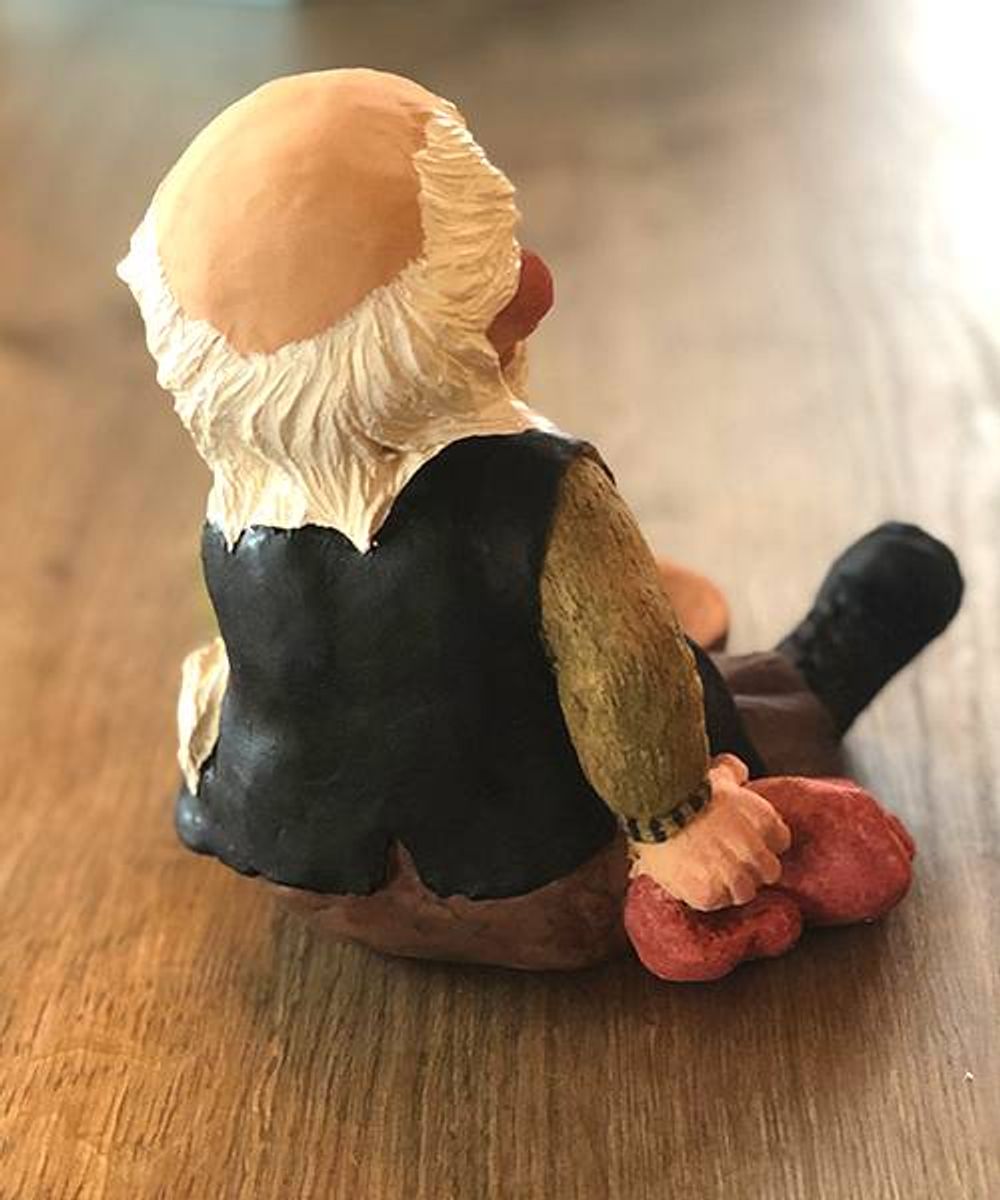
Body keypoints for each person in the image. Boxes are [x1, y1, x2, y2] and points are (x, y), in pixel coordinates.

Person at [118, 69, 962, 970]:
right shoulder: (544, 490)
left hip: (307, 878)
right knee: (758, 699)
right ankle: (822, 680)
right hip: (536, 886)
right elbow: (628, 672)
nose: (533, 289)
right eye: (483, 275)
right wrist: (675, 819)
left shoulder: (234, 514)